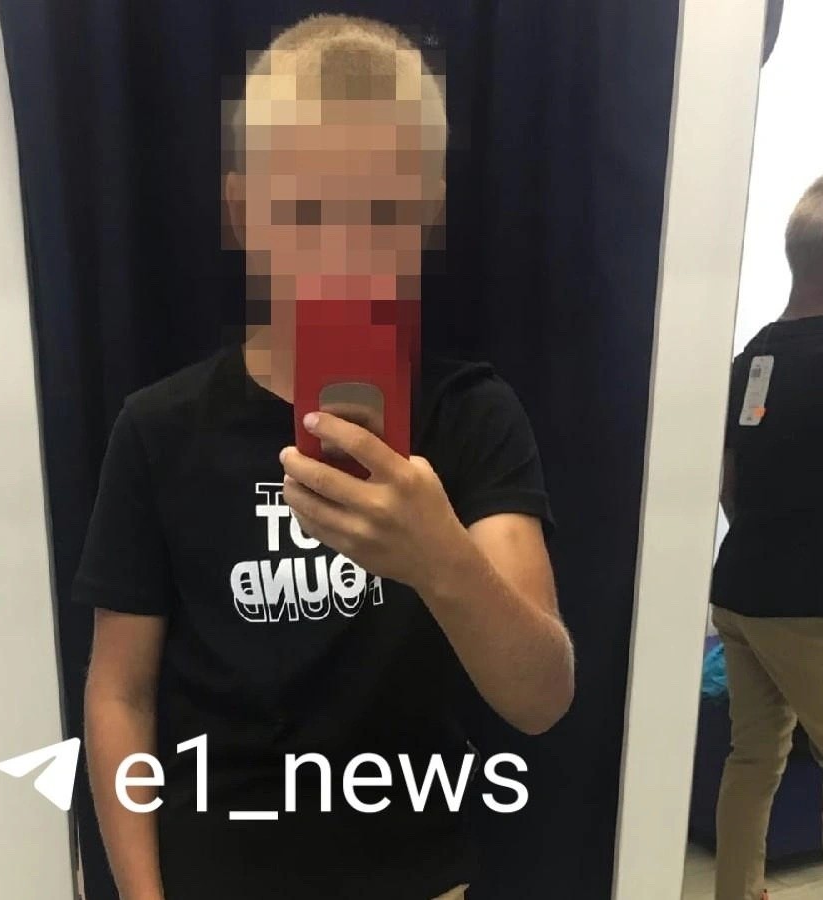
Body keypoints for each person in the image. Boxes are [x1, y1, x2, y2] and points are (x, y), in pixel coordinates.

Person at [73, 15, 575, 900]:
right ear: (242, 212)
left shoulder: (469, 417)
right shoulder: (159, 430)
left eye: (383, 214)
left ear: (429, 212)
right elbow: (121, 693)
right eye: (305, 212)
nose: (343, 252)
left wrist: (438, 558)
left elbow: (540, 699)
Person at [712, 168, 823, 900]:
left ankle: (737, 891)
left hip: (737, 596)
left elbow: (729, 486)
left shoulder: (752, 358)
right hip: (811, 609)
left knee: (753, 756)